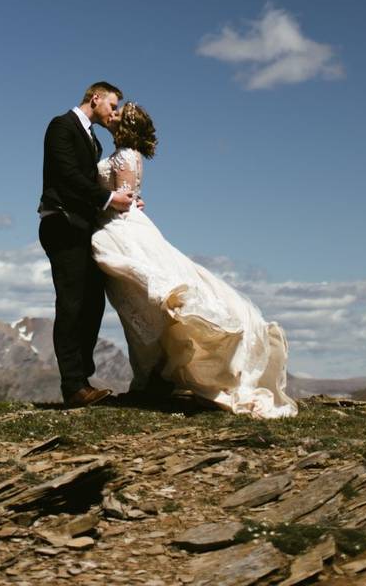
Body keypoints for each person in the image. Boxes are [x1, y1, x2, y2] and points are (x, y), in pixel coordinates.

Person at [92, 102, 297, 418]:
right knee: (139, 305)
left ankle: (154, 377)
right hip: (128, 226)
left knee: (141, 303)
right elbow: (130, 196)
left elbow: (122, 199)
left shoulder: (123, 156)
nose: (113, 115)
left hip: (122, 230)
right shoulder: (129, 155)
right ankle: (155, 376)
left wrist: (101, 204)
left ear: (126, 126)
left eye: (119, 114)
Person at [38, 82, 136, 408]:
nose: (114, 113)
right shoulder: (61, 126)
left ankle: (83, 379)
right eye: (112, 105)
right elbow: (66, 176)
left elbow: (90, 183)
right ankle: (73, 387)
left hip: (83, 227)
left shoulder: (93, 141)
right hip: (62, 224)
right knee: (71, 304)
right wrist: (110, 198)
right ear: (95, 98)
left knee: (92, 303)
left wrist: (125, 201)